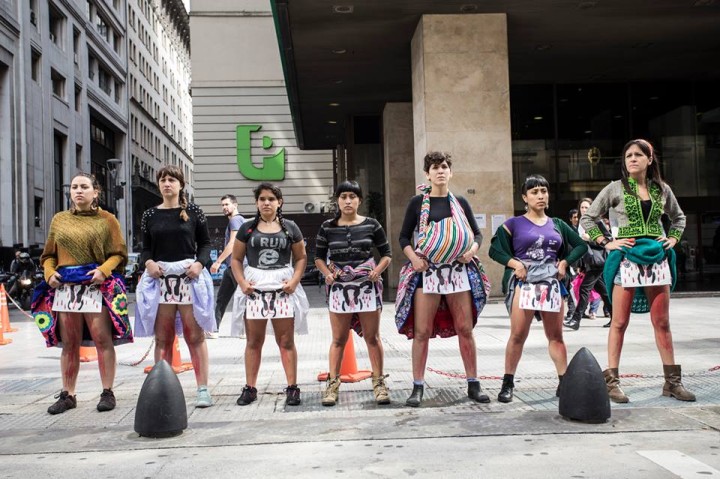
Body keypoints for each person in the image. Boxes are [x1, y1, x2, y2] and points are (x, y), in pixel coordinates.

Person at [580, 138, 695, 403]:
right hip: (627, 260)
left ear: (649, 159)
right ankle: (612, 383)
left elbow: (679, 217)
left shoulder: (662, 189)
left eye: (638, 155)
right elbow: (588, 218)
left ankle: (672, 383)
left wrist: (673, 239)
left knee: (662, 322)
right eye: (628, 155)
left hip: (657, 258)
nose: (632, 159)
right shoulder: (615, 188)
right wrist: (606, 242)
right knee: (619, 322)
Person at [395, 151, 491, 408]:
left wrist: (471, 251)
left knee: (465, 329)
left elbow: (477, 235)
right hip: (428, 272)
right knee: (422, 331)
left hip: (457, 272)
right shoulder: (417, 203)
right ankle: (417, 385)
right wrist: (414, 259)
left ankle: (473, 382)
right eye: (435, 167)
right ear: (427, 174)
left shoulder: (460, 202)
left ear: (451, 172)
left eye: (444, 167)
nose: (440, 171)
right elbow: (403, 237)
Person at [31, 172, 132, 414]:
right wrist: (49, 273)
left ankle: (107, 392)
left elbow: (119, 254)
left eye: (84, 186)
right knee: (69, 343)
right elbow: (48, 255)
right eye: (75, 186)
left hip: (95, 286)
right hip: (65, 287)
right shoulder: (59, 220)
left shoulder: (108, 220)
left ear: (95, 192)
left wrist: (104, 270)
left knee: (102, 340)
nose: (78, 190)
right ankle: (68, 394)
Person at [489, 175, 586, 403]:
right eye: (534, 192)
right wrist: (515, 264)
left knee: (556, 336)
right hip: (525, 284)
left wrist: (565, 262)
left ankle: (564, 383)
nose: (540, 195)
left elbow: (581, 245)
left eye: (543, 191)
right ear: (525, 197)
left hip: (551, 284)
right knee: (517, 336)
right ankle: (508, 383)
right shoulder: (513, 224)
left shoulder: (558, 224)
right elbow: (494, 250)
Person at [135, 165, 215, 408]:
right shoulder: (149, 215)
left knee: (195, 336)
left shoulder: (194, 211)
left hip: (188, 279)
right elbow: (145, 247)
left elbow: (205, 244)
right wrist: (148, 262)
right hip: (160, 281)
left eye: (171, 179)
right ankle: (162, 391)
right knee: (163, 337)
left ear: (181, 184)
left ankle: (203, 389)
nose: (167, 183)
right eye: (163, 180)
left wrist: (200, 264)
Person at [230, 183, 309, 407]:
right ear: (256, 203)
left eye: (271, 199)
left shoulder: (290, 227)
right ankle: (250, 388)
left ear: (279, 202)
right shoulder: (246, 228)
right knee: (254, 341)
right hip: (255, 289)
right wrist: (242, 283)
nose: (267, 203)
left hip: (282, 288)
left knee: (286, 341)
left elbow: (301, 257)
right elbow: (236, 259)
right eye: (262, 199)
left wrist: (294, 281)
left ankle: (292, 387)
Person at [314, 181, 392, 406]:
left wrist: (377, 271)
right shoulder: (327, 227)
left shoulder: (372, 224)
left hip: (367, 287)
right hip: (339, 288)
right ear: (337, 200)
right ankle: (332, 384)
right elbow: (318, 257)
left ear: (359, 200)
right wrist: (327, 273)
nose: (348, 201)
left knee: (372, 337)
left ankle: (379, 383)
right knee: (338, 339)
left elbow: (386, 254)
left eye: (352, 196)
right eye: (343, 197)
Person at [563, 197, 612, 331]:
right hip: (589, 262)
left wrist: (590, 239)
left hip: (597, 261)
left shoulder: (596, 221)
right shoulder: (581, 223)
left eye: (587, 207)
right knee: (603, 291)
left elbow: (608, 239)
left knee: (584, 289)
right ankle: (615, 317)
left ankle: (576, 319)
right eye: (582, 207)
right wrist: (581, 265)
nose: (584, 210)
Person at [208, 194, 245, 338]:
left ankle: (245, 330)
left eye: (227, 204)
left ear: (235, 205)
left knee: (242, 299)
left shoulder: (236, 220)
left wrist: (218, 262)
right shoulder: (238, 220)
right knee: (222, 298)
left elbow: (233, 243)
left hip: (238, 266)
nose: (224, 207)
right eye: (222, 205)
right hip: (232, 267)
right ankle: (214, 329)